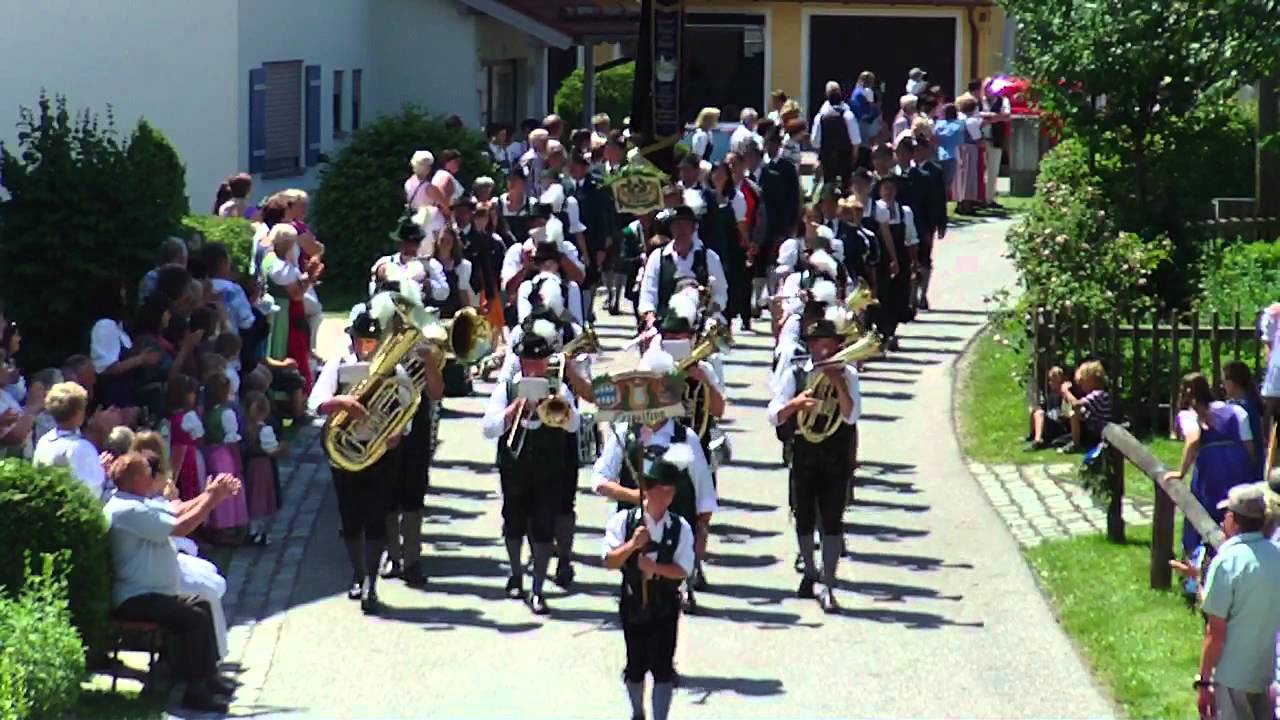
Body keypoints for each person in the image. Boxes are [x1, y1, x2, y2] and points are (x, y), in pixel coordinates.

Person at [105, 452, 239, 712]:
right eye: (147, 473)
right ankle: (195, 691)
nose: (152, 477)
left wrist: (209, 493)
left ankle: (208, 677)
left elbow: (176, 511)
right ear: (135, 479)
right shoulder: (127, 510)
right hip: (136, 597)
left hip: (151, 592)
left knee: (202, 606)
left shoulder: (137, 502)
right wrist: (211, 500)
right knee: (193, 619)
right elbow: (180, 527)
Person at [309, 305, 414, 615]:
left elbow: (407, 406)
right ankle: (357, 573)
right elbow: (315, 402)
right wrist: (341, 401)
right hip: (344, 451)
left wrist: (398, 432)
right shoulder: (337, 365)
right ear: (352, 340)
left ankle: (370, 581)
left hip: (378, 451)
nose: (366, 347)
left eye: (371, 342)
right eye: (361, 341)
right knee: (350, 517)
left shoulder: (394, 370)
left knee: (377, 515)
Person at [481, 317, 578, 614]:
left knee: (543, 527)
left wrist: (556, 404)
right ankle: (516, 574)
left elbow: (574, 425)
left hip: (549, 469)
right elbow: (488, 427)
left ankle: (537, 589)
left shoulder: (559, 387)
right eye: (528, 361)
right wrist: (512, 411)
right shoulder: (507, 387)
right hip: (514, 468)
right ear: (520, 361)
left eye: (538, 361)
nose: (533, 366)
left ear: (547, 361)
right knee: (513, 522)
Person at [768, 311, 860, 612]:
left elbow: (850, 415)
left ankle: (829, 583)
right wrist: (795, 405)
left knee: (832, 518)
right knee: (803, 514)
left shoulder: (848, 374)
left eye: (829, 343)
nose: (823, 348)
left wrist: (838, 383)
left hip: (835, 453)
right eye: (818, 342)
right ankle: (809, 571)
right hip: (805, 452)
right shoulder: (795, 372)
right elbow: (774, 414)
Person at [602, 443, 696, 720]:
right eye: (662, 490)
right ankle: (637, 712)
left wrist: (655, 567)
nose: (667, 497)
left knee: (663, 667)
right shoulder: (623, 522)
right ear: (649, 490)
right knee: (635, 665)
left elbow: (683, 570)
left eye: (671, 491)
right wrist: (632, 546)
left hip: (665, 606)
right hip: (633, 604)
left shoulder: (680, 528)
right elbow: (608, 561)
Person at [1193, 483, 1280, 720]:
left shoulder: (1228, 561)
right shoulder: (1276, 556)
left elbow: (1215, 632)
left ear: (1232, 518)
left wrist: (1203, 682)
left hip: (1231, 677)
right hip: (1265, 673)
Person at [381, 306, 445, 588]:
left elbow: (436, 392)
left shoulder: (424, 356)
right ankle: (392, 555)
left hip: (416, 429)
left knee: (414, 495)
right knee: (387, 496)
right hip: (385, 429)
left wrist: (430, 363)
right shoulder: (381, 357)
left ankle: (412, 559)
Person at [1165, 372, 1256, 559]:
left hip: (1211, 472)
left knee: (1202, 516)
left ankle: (1197, 566)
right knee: (1235, 514)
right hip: (1239, 467)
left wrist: (1181, 472)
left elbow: (1193, 438)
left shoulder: (1189, 415)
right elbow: (1249, 446)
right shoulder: (1235, 410)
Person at [637, 206, 728, 337]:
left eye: (685, 224)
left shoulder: (709, 257)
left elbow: (721, 292)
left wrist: (712, 310)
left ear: (693, 228)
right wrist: (649, 316)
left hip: (700, 327)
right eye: (677, 225)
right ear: (671, 228)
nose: (681, 229)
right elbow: (648, 294)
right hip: (664, 327)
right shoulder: (657, 257)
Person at [33, 381, 109, 501]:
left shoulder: (44, 441)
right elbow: (92, 491)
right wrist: (103, 471)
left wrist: (96, 465)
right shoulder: (81, 447)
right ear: (78, 412)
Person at [870, 174, 917, 349]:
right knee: (883, 297)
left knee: (898, 298)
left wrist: (914, 262)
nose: (889, 192)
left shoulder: (905, 212)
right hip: (882, 260)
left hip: (901, 260)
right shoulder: (876, 210)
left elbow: (911, 239)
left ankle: (891, 332)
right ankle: (882, 333)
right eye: (885, 188)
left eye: (892, 188)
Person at [907, 135, 949, 310]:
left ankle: (923, 294)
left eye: (920, 150)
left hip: (926, 222)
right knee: (911, 260)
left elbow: (940, 198)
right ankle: (911, 295)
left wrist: (941, 222)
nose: (917, 153)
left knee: (924, 258)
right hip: (910, 221)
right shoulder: (906, 172)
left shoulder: (935, 171)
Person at [1058, 360, 1111, 453]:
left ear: (1091, 380)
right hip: (1093, 430)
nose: (1081, 386)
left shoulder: (1098, 394)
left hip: (1098, 433)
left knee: (1074, 414)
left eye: (1082, 382)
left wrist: (1066, 392)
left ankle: (1076, 445)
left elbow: (1076, 405)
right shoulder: (1099, 394)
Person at [1224, 360, 1265, 479]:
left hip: (1245, 467)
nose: (1223, 385)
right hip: (1254, 465)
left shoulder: (1241, 407)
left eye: (1224, 381)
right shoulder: (1251, 401)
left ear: (1233, 383)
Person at [979, 79, 1012, 208]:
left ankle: (990, 199)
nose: (990, 90)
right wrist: (995, 116)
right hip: (980, 139)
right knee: (980, 171)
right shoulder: (979, 101)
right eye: (987, 87)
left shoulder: (1003, 100)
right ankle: (979, 198)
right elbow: (976, 115)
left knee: (993, 170)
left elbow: (1007, 115)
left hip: (996, 139)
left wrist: (989, 118)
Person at [1028, 366, 1071, 450]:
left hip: (1060, 426)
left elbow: (1067, 414)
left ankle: (1038, 440)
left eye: (1054, 380)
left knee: (1039, 413)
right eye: (1050, 380)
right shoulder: (1051, 396)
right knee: (1034, 410)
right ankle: (1032, 436)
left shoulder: (1067, 394)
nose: (1051, 383)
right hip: (1051, 423)